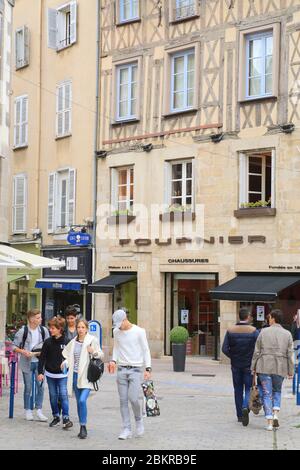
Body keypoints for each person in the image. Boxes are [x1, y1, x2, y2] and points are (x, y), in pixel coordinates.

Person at [108, 309, 152, 440]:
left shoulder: (139, 331)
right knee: (122, 401)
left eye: (119, 324)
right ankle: (126, 428)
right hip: (121, 369)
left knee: (133, 398)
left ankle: (138, 421)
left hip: (135, 369)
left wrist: (148, 368)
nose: (118, 327)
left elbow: (146, 350)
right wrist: (113, 360)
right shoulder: (116, 332)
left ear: (125, 319)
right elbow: (116, 347)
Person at [251, 309, 294, 431]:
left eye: (269, 317)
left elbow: (256, 352)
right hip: (280, 367)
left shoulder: (263, 332)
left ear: (273, 318)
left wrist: (253, 367)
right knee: (277, 391)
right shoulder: (287, 334)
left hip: (264, 366)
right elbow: (290, 354)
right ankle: (275, 414)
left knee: (266, 393)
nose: (268, 319)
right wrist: (291, 371)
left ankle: (269, 423)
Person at [62, 319, 104, 439]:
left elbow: (101, 354)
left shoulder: (92, 340)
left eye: (82, 327)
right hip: (75, 375)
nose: (80, 329)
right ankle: (82, 427)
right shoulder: (73, 342)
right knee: (78, 402)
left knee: (82, 400)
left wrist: (94, 352)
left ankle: (84, 426)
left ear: (87, 329)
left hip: (87, 376)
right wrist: (65, 363)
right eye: (78, 327)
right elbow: (68, 356)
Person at [222, 307, 259, 426]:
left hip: (236, 365)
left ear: (239, 316)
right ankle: (245, 407)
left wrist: (233, 356)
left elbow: (224, 349)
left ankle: (239, 415)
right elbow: (258, 349)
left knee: (237, 389)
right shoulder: (253, 331)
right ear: (248, 317)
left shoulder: (230, 330)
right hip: (248, 365)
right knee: (248, 388)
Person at [12, 309, 49, 421]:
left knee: (41, 387)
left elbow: (48, 346)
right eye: (38, 317)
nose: (41, 319)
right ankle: (28, 410)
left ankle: (39, 410)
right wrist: (23, 352)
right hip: (26, 363)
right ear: (31, 319)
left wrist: (39, 353)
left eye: (40, 317)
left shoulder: (43, 331)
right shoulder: (22, 331)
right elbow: (13, 347)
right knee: (28, 387)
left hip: (39, 363)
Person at [37, 317, 73, 430]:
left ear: (60, 329)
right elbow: (42, 358)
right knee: (53, 396)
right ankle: (56, 416)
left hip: (62, 375)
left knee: (63, 395)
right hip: (50, 374)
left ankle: (66, 418)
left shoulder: (67, 341)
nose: (50, 330)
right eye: (50, 328)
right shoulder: (47, 342)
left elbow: (71, 358)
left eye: (53, 328)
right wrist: (40, 372)